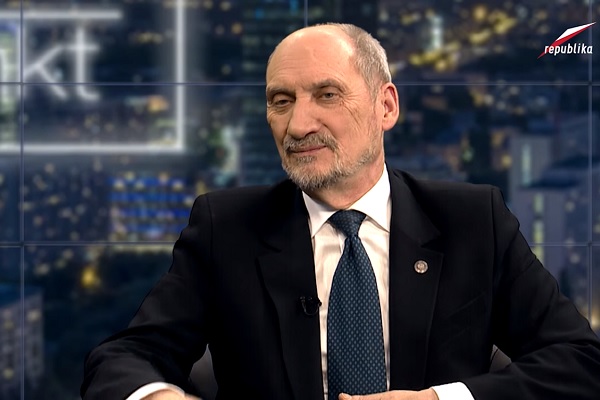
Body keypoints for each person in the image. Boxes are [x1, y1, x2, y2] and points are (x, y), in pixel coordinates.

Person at [81, 23, 600, 400]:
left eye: (327, 95)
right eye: (281, 101)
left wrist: (441, 399)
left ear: (386, 106)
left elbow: (580, 361)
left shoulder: (472, 221)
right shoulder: (226, 228)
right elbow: (121, 360)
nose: (298, 124)